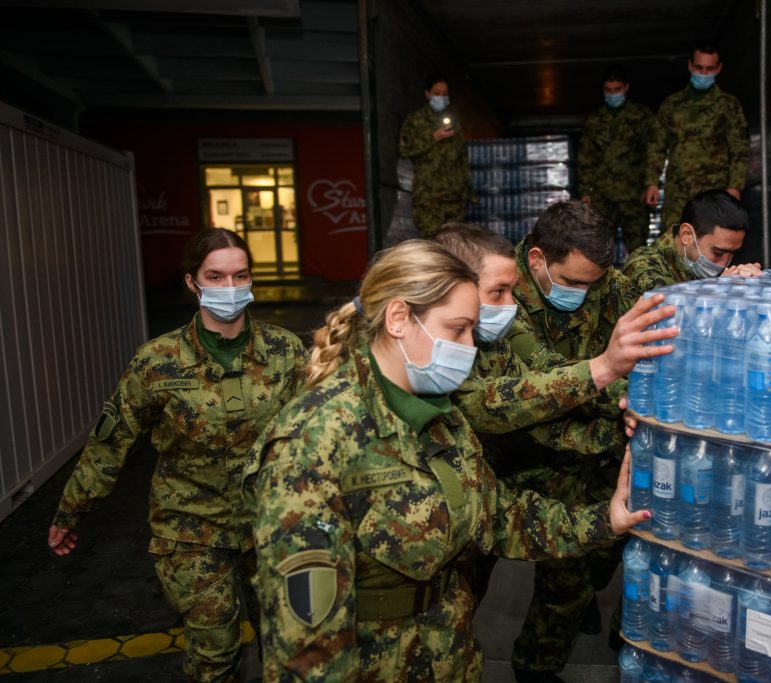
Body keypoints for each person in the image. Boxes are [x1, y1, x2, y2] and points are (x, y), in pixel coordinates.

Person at [246, 240, 650, 682]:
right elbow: (307, 653)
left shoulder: (439, 416)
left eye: (471, 331)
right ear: (398, 319)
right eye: (458, 330)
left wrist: (604, 520)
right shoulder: (313, 442)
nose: (469, 347)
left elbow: (498, 517)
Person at [48, 228, 307, 682]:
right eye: (216, 276)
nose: (230, 287)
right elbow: (111, 442)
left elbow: (317, 434)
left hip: (271, 521)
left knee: (289, 645)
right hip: (191, 528)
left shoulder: (286, 351)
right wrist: (71, 511)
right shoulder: (157, 361)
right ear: (192, 282)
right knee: (215, 654)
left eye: (240, 275)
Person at [433, 223, 675, 606]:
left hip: (487, 493)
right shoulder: (354, 408)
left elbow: (538, 409)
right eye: (498, 292)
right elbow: (485, 404)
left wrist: (621, 421)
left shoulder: (488, 338)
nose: (511, 305)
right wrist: (603, 368)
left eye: (511, 291)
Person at [508, 201, 637, 682]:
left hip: (589, 442)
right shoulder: (500, 292)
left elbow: (653, 307)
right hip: (522, 449)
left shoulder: (600, 279)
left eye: (592, 283)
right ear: (538, 259)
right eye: (573, 282)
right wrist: (620, 398)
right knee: (562, 580)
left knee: (598, 555)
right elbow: (541, 374)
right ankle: (534, 668)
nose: (583, 294)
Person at [623, 189, 771, 295]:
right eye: (718, 253)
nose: (724, 263)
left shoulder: (706, 260)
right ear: (686, 234)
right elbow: (668, 313)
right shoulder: (642, 266)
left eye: (732, 254)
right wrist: (719, 289)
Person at [642, 44, 750, 232]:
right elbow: (656, 146)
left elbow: (739, 149)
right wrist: (651, 182)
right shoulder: (672, 105)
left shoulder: (728, 105)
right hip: (678, 193)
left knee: (713, 241)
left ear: (718, 69)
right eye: (699, 68)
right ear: (690, 66)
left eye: (709, 69)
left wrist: (735, 187)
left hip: (714, 193)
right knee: (675, 240)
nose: (704, 73)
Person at [578, 66, 655, 253]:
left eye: (617, 89)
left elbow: (653, 151)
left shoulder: (641, 116)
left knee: (637, 247)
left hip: (634, 194)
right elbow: (586, 158)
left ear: (626, 87)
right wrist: (585, 192)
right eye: (609, 90)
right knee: (599, 246)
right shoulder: (594, 121)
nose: (613, 94)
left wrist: (650, 183)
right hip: (603, 195)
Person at [398, 74, 474, 238]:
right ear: (428, 94)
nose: (441, 97)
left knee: (455, 243)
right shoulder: (416, 121)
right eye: (437, 93)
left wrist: (468, 192)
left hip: (453, 199)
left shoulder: (454, 123)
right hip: (429, 198)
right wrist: (433, 137)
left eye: (445, 93)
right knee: (433, 243)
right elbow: (404, 150)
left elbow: (462, 160)